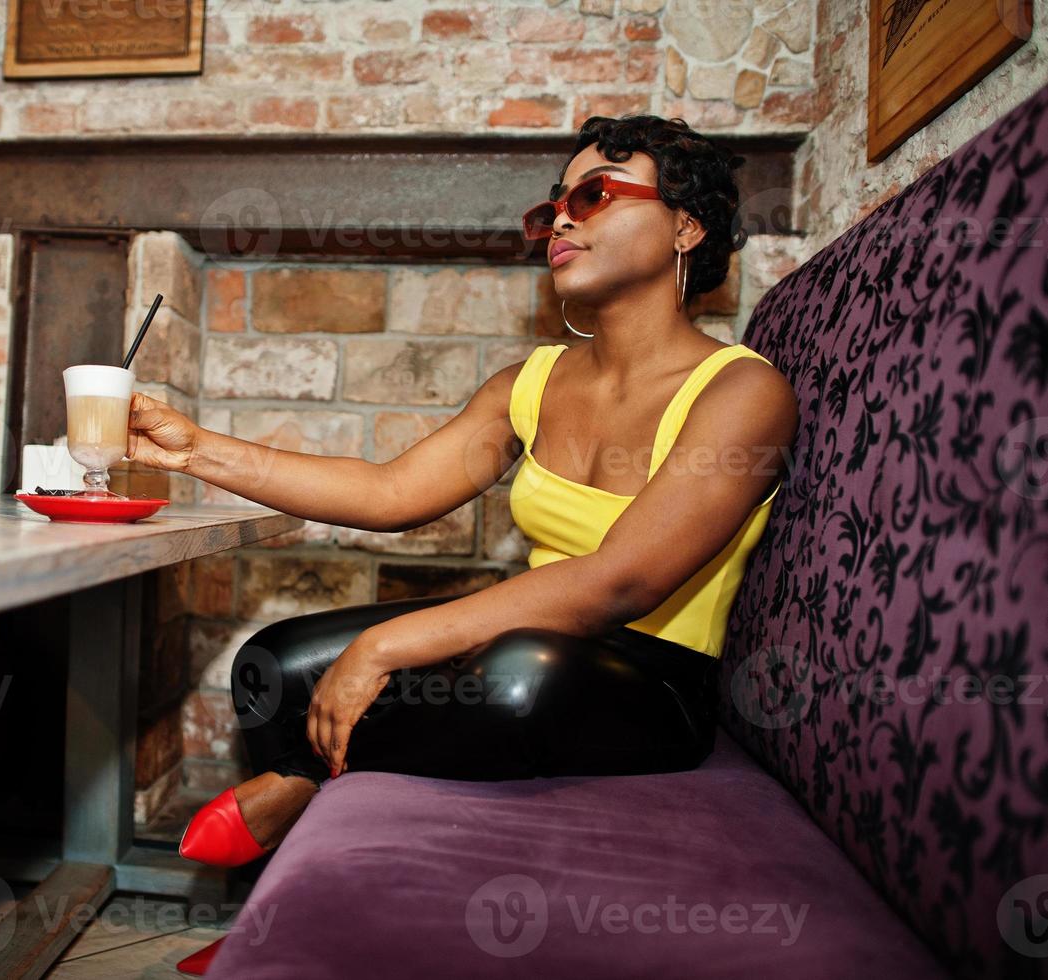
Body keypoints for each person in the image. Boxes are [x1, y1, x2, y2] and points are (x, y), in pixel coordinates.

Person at [125, 113, 799, 976]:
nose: (560, 218)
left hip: (649, 681)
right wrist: (196, 450)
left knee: (518, 674)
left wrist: (386, 642)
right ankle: (285, 904)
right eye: (550, 207)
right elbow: (391, 493)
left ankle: (296, 788)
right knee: (276, 661)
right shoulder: (530, 380)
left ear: (684, 225)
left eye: (594, 194)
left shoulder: (742, 391)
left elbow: (621, 581)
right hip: (527, 641)